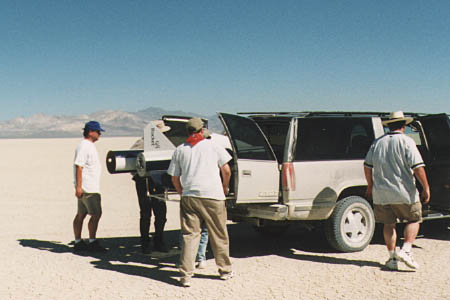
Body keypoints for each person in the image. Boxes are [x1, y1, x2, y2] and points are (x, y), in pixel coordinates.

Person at [168, 118, 233, 287]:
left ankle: (186, 275)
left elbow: (174, 177)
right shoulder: (213, 146)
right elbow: (226, 170)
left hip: (190, 196)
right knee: (219, 234)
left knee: (190, 236)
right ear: (202, 129)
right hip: (213, 196)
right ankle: (224, 270)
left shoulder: (180, 150)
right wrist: (225, 187)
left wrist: (182, 192)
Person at [364, 111, 430, 270]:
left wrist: (370, 186)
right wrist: (426, 187)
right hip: (404, 192)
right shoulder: (407, 142)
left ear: (389, 126)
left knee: (389, 224)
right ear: (403, 125)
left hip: (382, 193)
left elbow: (367, 166)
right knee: (414, 219)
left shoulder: (377, 143)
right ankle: (406, 250)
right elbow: (418, 167)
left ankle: (392, 258)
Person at [131, 120, 170, 254]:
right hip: (144, 181)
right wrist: (141, 174)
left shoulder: (163, 144)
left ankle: (159, 240)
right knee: (146, 212)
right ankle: (145, 242)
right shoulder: (140, 144)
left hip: (158, 180)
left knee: (160, 212)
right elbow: (132, 162)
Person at [72, 121, 107, 252]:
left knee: (81, 213)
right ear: (91, 132)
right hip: (88, 188)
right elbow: (79, 166)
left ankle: (78, 242)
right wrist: (79, 187)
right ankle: (91, 242)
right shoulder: (85, 146)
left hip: (86, 186)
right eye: (98, 132)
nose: (99, 134)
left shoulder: (87, 145)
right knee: (96, 213)